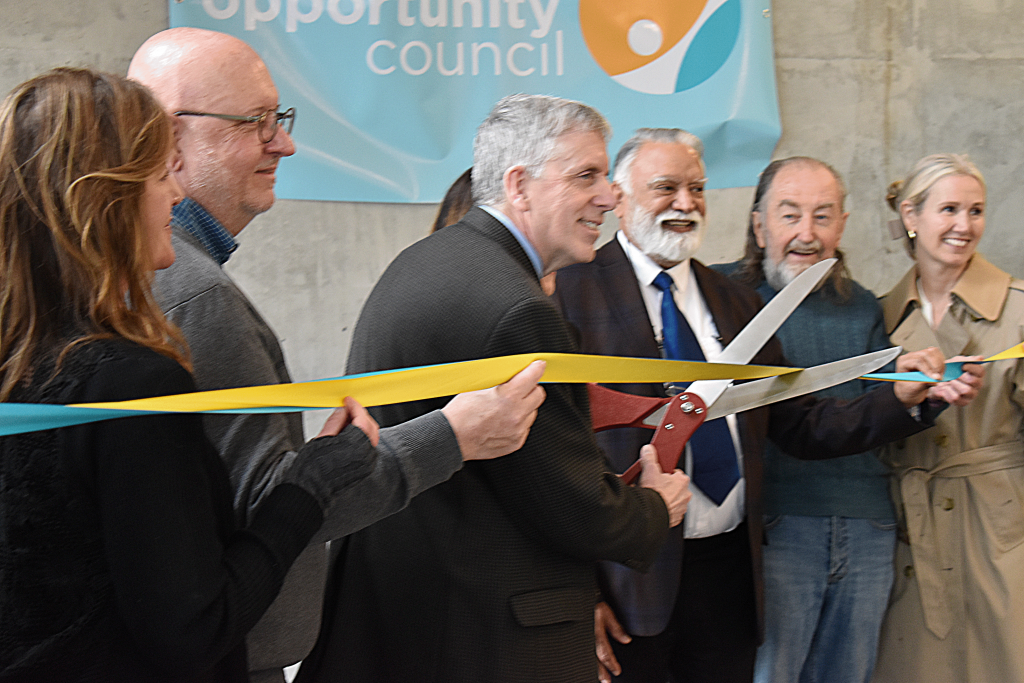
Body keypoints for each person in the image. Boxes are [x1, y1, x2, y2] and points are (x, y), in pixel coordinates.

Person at [128, 28, 546, 683]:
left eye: (280, 119)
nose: (284, 142)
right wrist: (453, 435)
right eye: (256, 122)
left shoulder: (162, 279)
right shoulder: (195, 293)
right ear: (169, 136)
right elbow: (273, 508)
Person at [0, 66, 381, 683]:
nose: (175, 197)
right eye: (158, 177)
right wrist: (310, 484)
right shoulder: (128, 381)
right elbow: (194, 627)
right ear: (108, 200)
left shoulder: (23, 360)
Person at [552, 129, 974, 683]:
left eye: (697, 188)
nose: (685, 203)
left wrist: (897, 400)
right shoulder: (569, 291)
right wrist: (577, 594)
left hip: (729, 577)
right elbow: (551, 461)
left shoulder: (736, 303)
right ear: (619, 196)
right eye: (666, 187)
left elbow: (797, 423)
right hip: (630, 581)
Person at [298, 94, 691, 683]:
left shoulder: (430, 260)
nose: (609, 196)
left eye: (606, 176)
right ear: (519, 185)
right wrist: (657, 507)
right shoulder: (517, 310)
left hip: (406, 623)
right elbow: (572, 506)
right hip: (482, 639)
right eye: (586, 175)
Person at [715, 157, 982, 683]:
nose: (806, 234)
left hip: (869, 528)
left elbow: (876, 410)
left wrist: (928, 396)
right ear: (758, 223)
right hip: (776, 527)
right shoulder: (722, 298)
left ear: (842, 225)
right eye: (790, 216)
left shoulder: (864, 307)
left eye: (823, 216)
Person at [873, 154, 1024, 683]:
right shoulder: (881, 317)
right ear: (911, 216)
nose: (965, 226)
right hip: (912, 536)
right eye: (950, 209)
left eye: (976, 210)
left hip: (1002, 531)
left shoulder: (1019, 309)